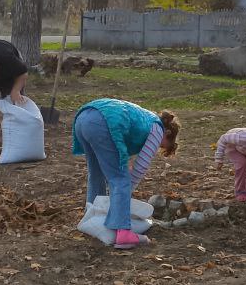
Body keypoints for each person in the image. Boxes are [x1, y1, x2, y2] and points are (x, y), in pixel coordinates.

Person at [72, 98, 180, 249]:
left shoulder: (143, 117)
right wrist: (121, 197)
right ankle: (123, 233)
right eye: (162, 145)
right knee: (120, 179)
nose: (158, 147)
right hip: (103, 123)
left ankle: (92, 218)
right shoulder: (157, 128)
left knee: (96, 174)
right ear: (167, 133)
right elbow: (140, 167)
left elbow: (120, 139)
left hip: (84, 117)